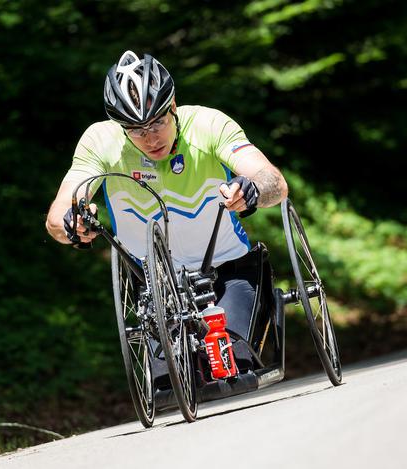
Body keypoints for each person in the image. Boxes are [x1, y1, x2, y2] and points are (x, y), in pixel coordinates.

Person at [45, 50, 288, 374]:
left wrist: (253, 190)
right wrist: (71, 223)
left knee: (236, 365)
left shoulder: (207, 124)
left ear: (173, 106)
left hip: (229, 268)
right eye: (135, 129)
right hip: (159, 288)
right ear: (120, 127)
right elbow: (60, 212)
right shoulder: (101, 142)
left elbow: (274, 181)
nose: (150, 137)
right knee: (169, 383)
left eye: (158, 121)